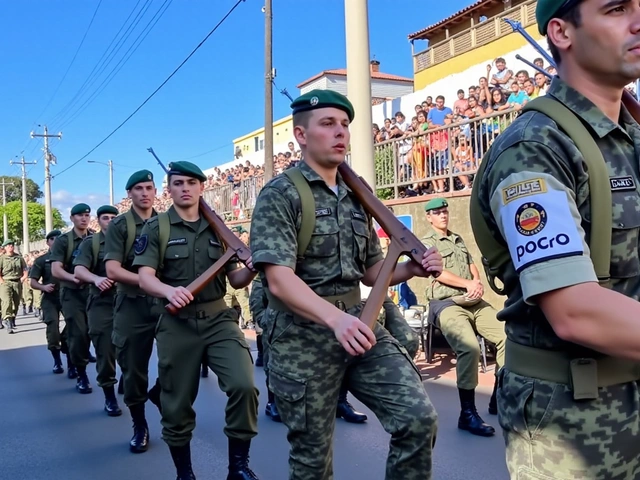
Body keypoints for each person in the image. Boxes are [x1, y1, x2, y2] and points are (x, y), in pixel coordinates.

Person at [472, 0, 640, 477]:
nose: (638, 19)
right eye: (615, 8)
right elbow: (575, 311)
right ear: (562, 33)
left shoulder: (629, 139)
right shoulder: (536, 147)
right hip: (575, 423)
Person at [250, 89, 442, 480]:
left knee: (418, 419)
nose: (340, 133)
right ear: (301, 135)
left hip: (360, 321)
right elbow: (278, 280)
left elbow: (372, 271)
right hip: (301, 336)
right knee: (312, 461)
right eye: (327, 124)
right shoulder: (281, 194)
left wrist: (413, 270)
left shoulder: (358, 198)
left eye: (345, 125)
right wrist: (335, 321)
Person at [133, 161, 260, 480]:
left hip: (219, 319)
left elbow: (237, 280)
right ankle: (185, 473)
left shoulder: (219, 229)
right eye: (178, 183)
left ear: (202, 187)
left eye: (191, 182)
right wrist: (168, 291)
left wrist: (255, 265)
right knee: (175, 405)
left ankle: (238, 467)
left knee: (244, 386)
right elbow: (145, 277)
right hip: (178, 324)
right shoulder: (158, 227)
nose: (185, 188)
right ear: (169, 190)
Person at [421, 197, 506, 437]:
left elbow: (471, 264)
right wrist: (468, 284)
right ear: (429, 217)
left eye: (444, 211)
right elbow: (436, 272)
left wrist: (476, 283)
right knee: (469, 348)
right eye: (437, 212)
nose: (443, 215)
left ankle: (498, 397)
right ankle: (467, 413)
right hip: (447, 303)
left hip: (473, 301)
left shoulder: (457, 239)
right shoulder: (427, 242)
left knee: (506, 336)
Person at [104, 170, 160, 453]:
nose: (144, 193)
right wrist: (147, 281)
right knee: (134, 369)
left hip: (163, 302)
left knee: (182, 356)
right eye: (138, 188)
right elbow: (112, 270)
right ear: (129, 194)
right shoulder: (120, 226)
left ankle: (160, 392)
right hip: (132, 304)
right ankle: (140, 425)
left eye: (149, 187)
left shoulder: (166, 222)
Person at [74, 205, 121, 417]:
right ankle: (109, 395)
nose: (110, 221)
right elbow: (79, 269)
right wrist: (96, 278)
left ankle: (128, 381)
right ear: (99, 221)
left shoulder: (130, 241)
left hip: (129, 301)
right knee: (105, 350)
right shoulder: (90, 244)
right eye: (105, 218)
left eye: (113, 217)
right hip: (102, 303)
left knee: (133, 351)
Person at [51, 203, 94, 394]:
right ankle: (81, 374)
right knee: (79, 332)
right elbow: (56, 269)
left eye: (87, 215)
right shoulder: (63, 241)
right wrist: (74, 278)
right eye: (80, 215)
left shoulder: (95, 237)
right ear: (72, 218)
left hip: (93, 293)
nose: (84, 218)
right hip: (72, 293)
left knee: (97, 332)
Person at [30, 230, 67, 374]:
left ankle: (67, 349)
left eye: (59, 238)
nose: (55, 240)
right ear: (47, 242)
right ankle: (57, 361)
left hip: (67, 296)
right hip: (50, 298)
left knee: (75, 325)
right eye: (52, 238)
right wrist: (43, 287)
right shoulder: (41, 260)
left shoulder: (68, 257)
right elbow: (33, 282)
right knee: (52, 327)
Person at [0, 240, 27, 334]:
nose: (11, 246)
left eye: (12, 244)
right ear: (5, 247)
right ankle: (7, 320)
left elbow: (25, 269)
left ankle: (12, 318)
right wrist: (2, 281)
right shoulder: (2, 258)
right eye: (9, 245)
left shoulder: (19, 258)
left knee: (16, 303)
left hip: (17, 282)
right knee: (6, 301)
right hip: (5, 282)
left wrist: (24, 277)